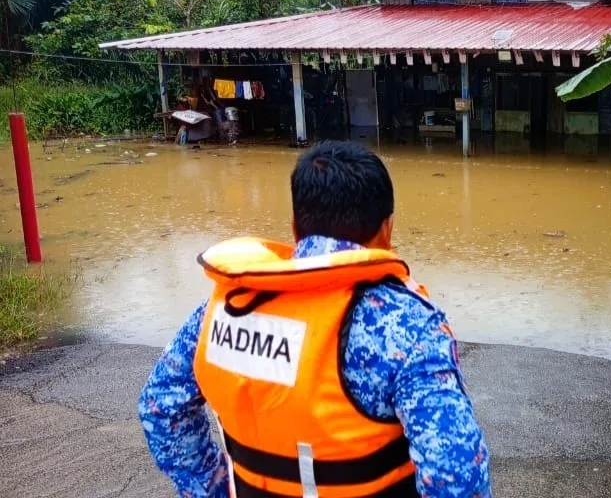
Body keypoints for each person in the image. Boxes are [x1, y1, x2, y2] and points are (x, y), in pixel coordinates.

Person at [139, 141, 491, 498]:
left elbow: (160, 408)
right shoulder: (407, 328)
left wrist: (212, 489)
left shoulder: (220, 312)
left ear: (294, 227)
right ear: (387, 229)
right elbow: (456, 474)